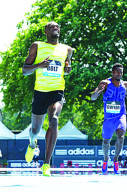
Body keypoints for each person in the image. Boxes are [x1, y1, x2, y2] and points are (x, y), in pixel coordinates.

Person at [22, 21, 73, 177]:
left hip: (57, 91)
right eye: (51, 27)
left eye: (57, 27)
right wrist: (38, 65)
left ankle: (46, 164)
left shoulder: (67, 49)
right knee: (35, 130)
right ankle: (32, 144)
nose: (55, 28)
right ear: (45, 31)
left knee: (54, 120)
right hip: (40, 92)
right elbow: (25, 70)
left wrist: (67, 69)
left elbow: (66, 69)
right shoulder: (37, 46)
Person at [91, 63, 127, 174]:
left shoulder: (125, 84)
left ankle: (116, 160)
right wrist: (98, 92)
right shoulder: (105, 83)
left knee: (121, 137)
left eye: (121, 72)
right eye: (117, 72)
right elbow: (93, 97)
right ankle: (105, 159)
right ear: (112, 73)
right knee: (106, 141)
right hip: (109, 117)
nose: (119, 74)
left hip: (121, 115)